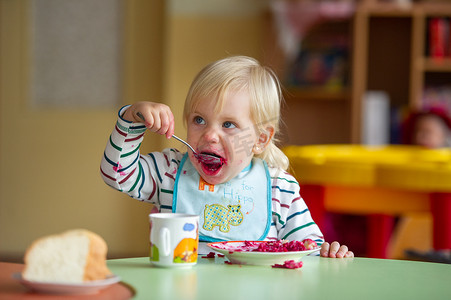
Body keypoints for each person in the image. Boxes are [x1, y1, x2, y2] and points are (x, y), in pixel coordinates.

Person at [100, 56, 353, 258]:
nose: (209, 135)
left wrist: (327, 252)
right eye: (199, 120)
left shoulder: (278, 189)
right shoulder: (170, 172)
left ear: (260, 140)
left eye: (228, 124)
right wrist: (131, 118)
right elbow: (117, 173)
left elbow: (308, 248)